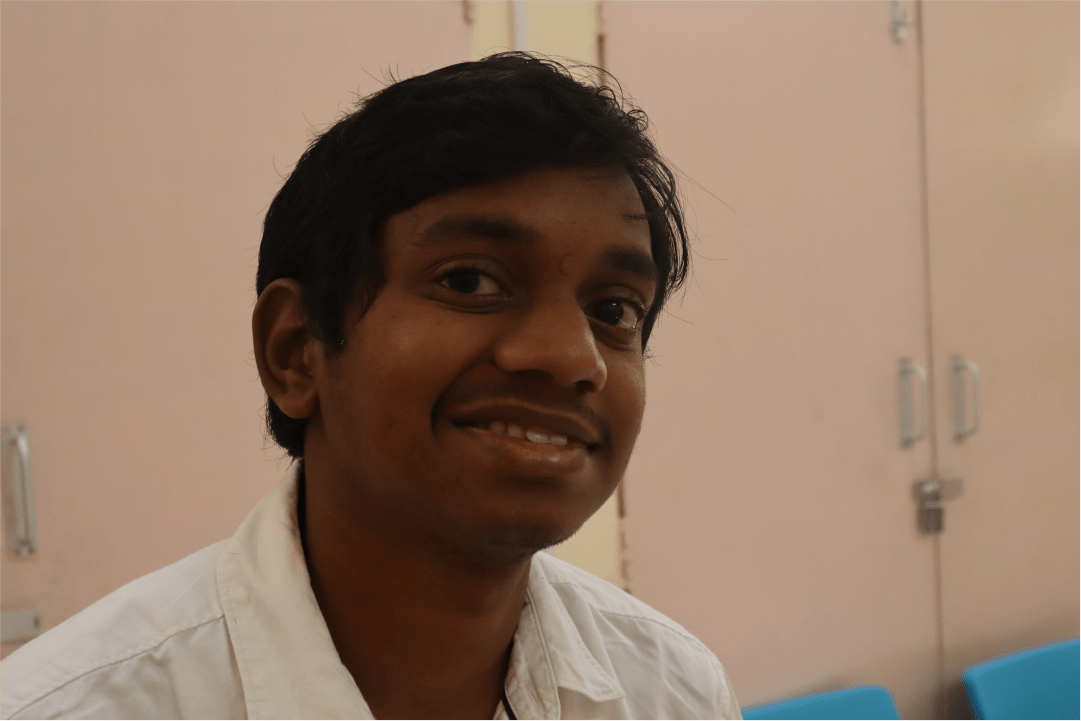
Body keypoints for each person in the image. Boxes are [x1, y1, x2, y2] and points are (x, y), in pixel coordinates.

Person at [0, 52, 742, 720]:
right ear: (296, 352)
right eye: (470, 280)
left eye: (613, 310)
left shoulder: (670, 693)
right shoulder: (70, 707)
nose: (570, 357)